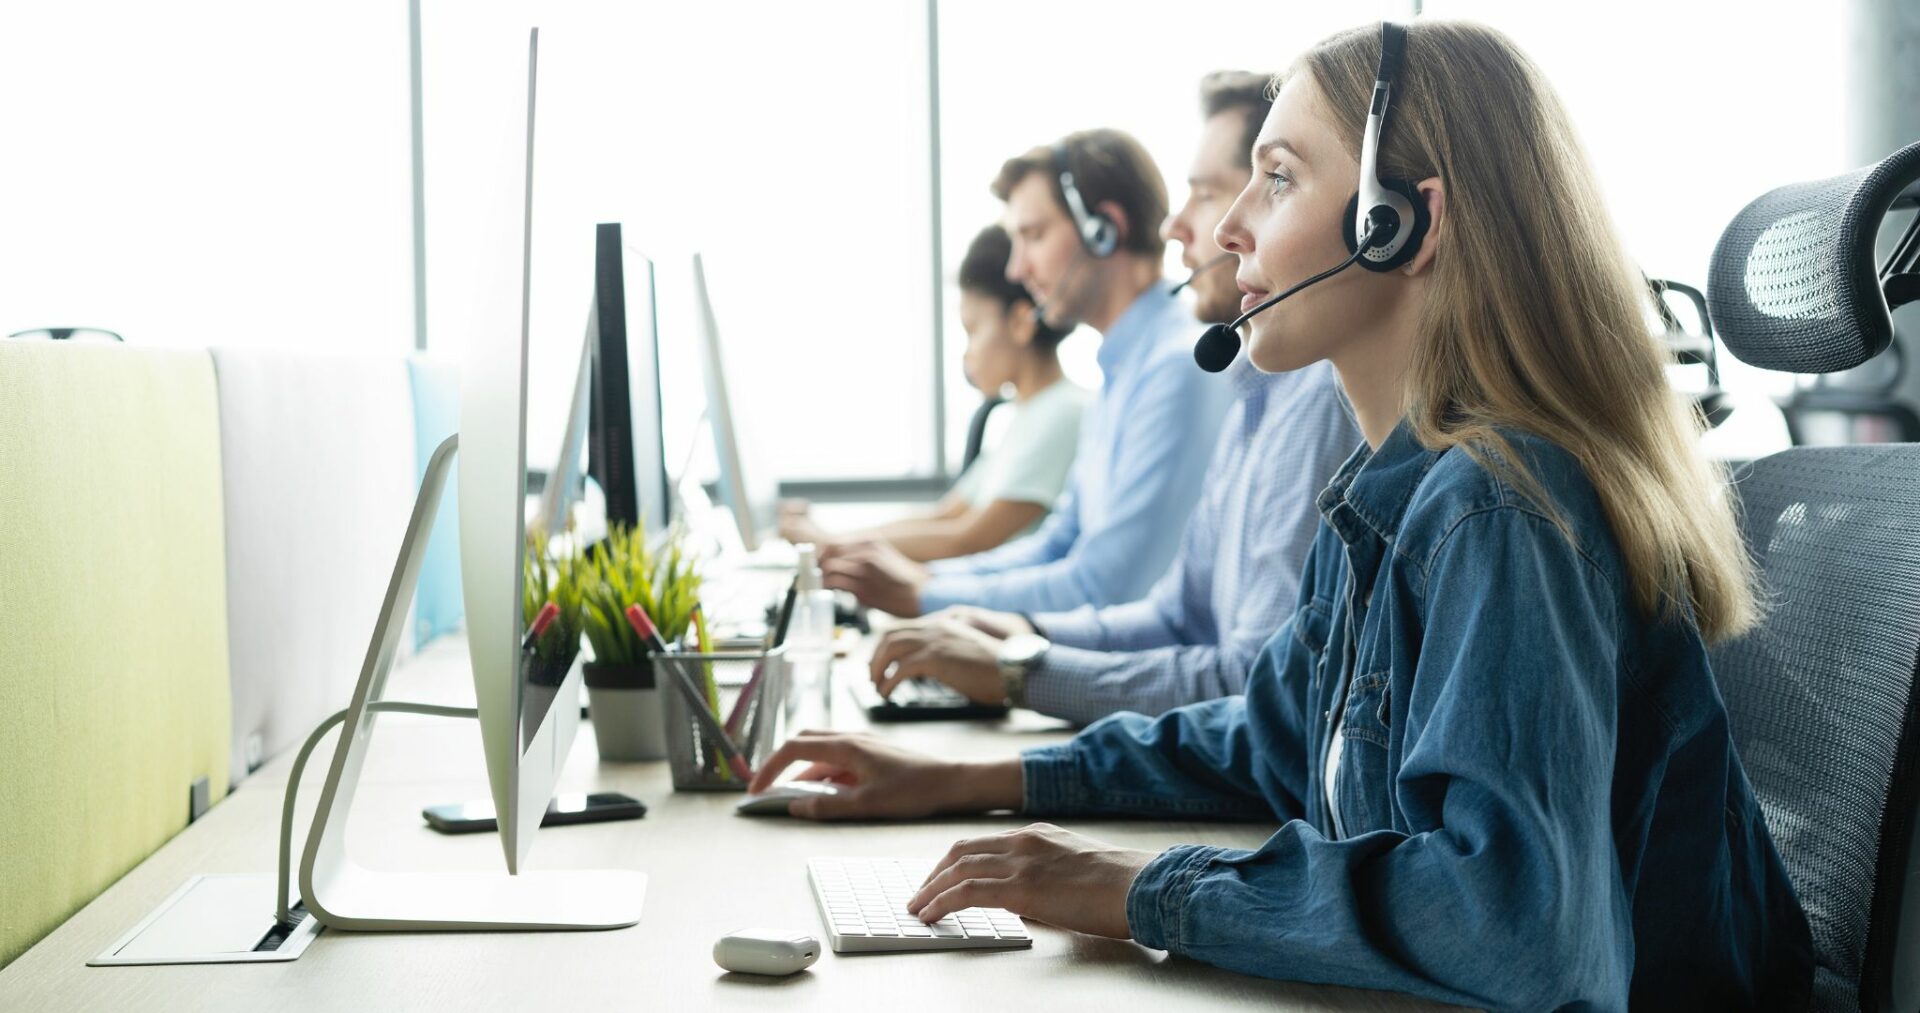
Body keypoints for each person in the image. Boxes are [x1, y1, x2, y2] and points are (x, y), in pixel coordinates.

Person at [750, 20, 1812, 1009]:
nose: (1224, 229)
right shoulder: (1384, 499)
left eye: (1278, 178)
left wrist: (1143, 890)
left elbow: (1513, 917)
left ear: (1402, 224)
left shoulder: (1498, 509)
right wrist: (968, 779)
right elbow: (1266, 739)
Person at [864, 72, 1360, 725]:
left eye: (1033, 235)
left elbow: (1134, 600)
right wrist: (997, 626)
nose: (1188, 227)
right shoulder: (1220, 383)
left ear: (1104, 230)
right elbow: (1167, 607)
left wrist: (1001, 653)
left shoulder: (1201, 372)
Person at [821, 129, 1228, 618]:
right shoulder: (1120, 372)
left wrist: (925, 595)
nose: (1016, 269)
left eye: (1033, 236)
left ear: (1105, 229)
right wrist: (927, 581)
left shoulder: (1176, 368)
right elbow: (1057, 544)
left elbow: (1108, 585)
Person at [780, 225, 1089, 562]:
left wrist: (829, 546)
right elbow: (943, 516)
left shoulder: (1063, 414)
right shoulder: (1024, 418)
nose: (967, 353)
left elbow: (967, 539)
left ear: (1019, 322)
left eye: (973, 330)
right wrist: (833, 539)